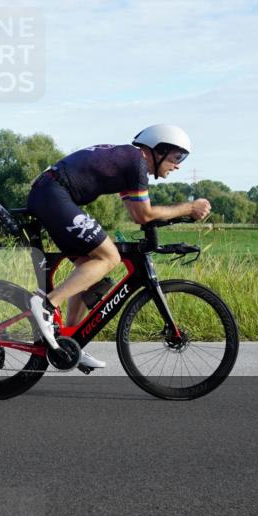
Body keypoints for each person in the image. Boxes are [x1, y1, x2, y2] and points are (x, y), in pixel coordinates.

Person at [25, 124, 211, 369]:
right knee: (109, 257)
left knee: (88, 273)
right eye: (177, 156)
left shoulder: (128, 163)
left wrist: (173, 216)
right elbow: (143, 215)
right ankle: (46, 304)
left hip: (51, 194)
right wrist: (189, 208)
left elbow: (137, 213)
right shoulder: (136, 161)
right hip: (53, 194)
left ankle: (68, 341)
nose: (178, 164)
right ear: (159, 150)